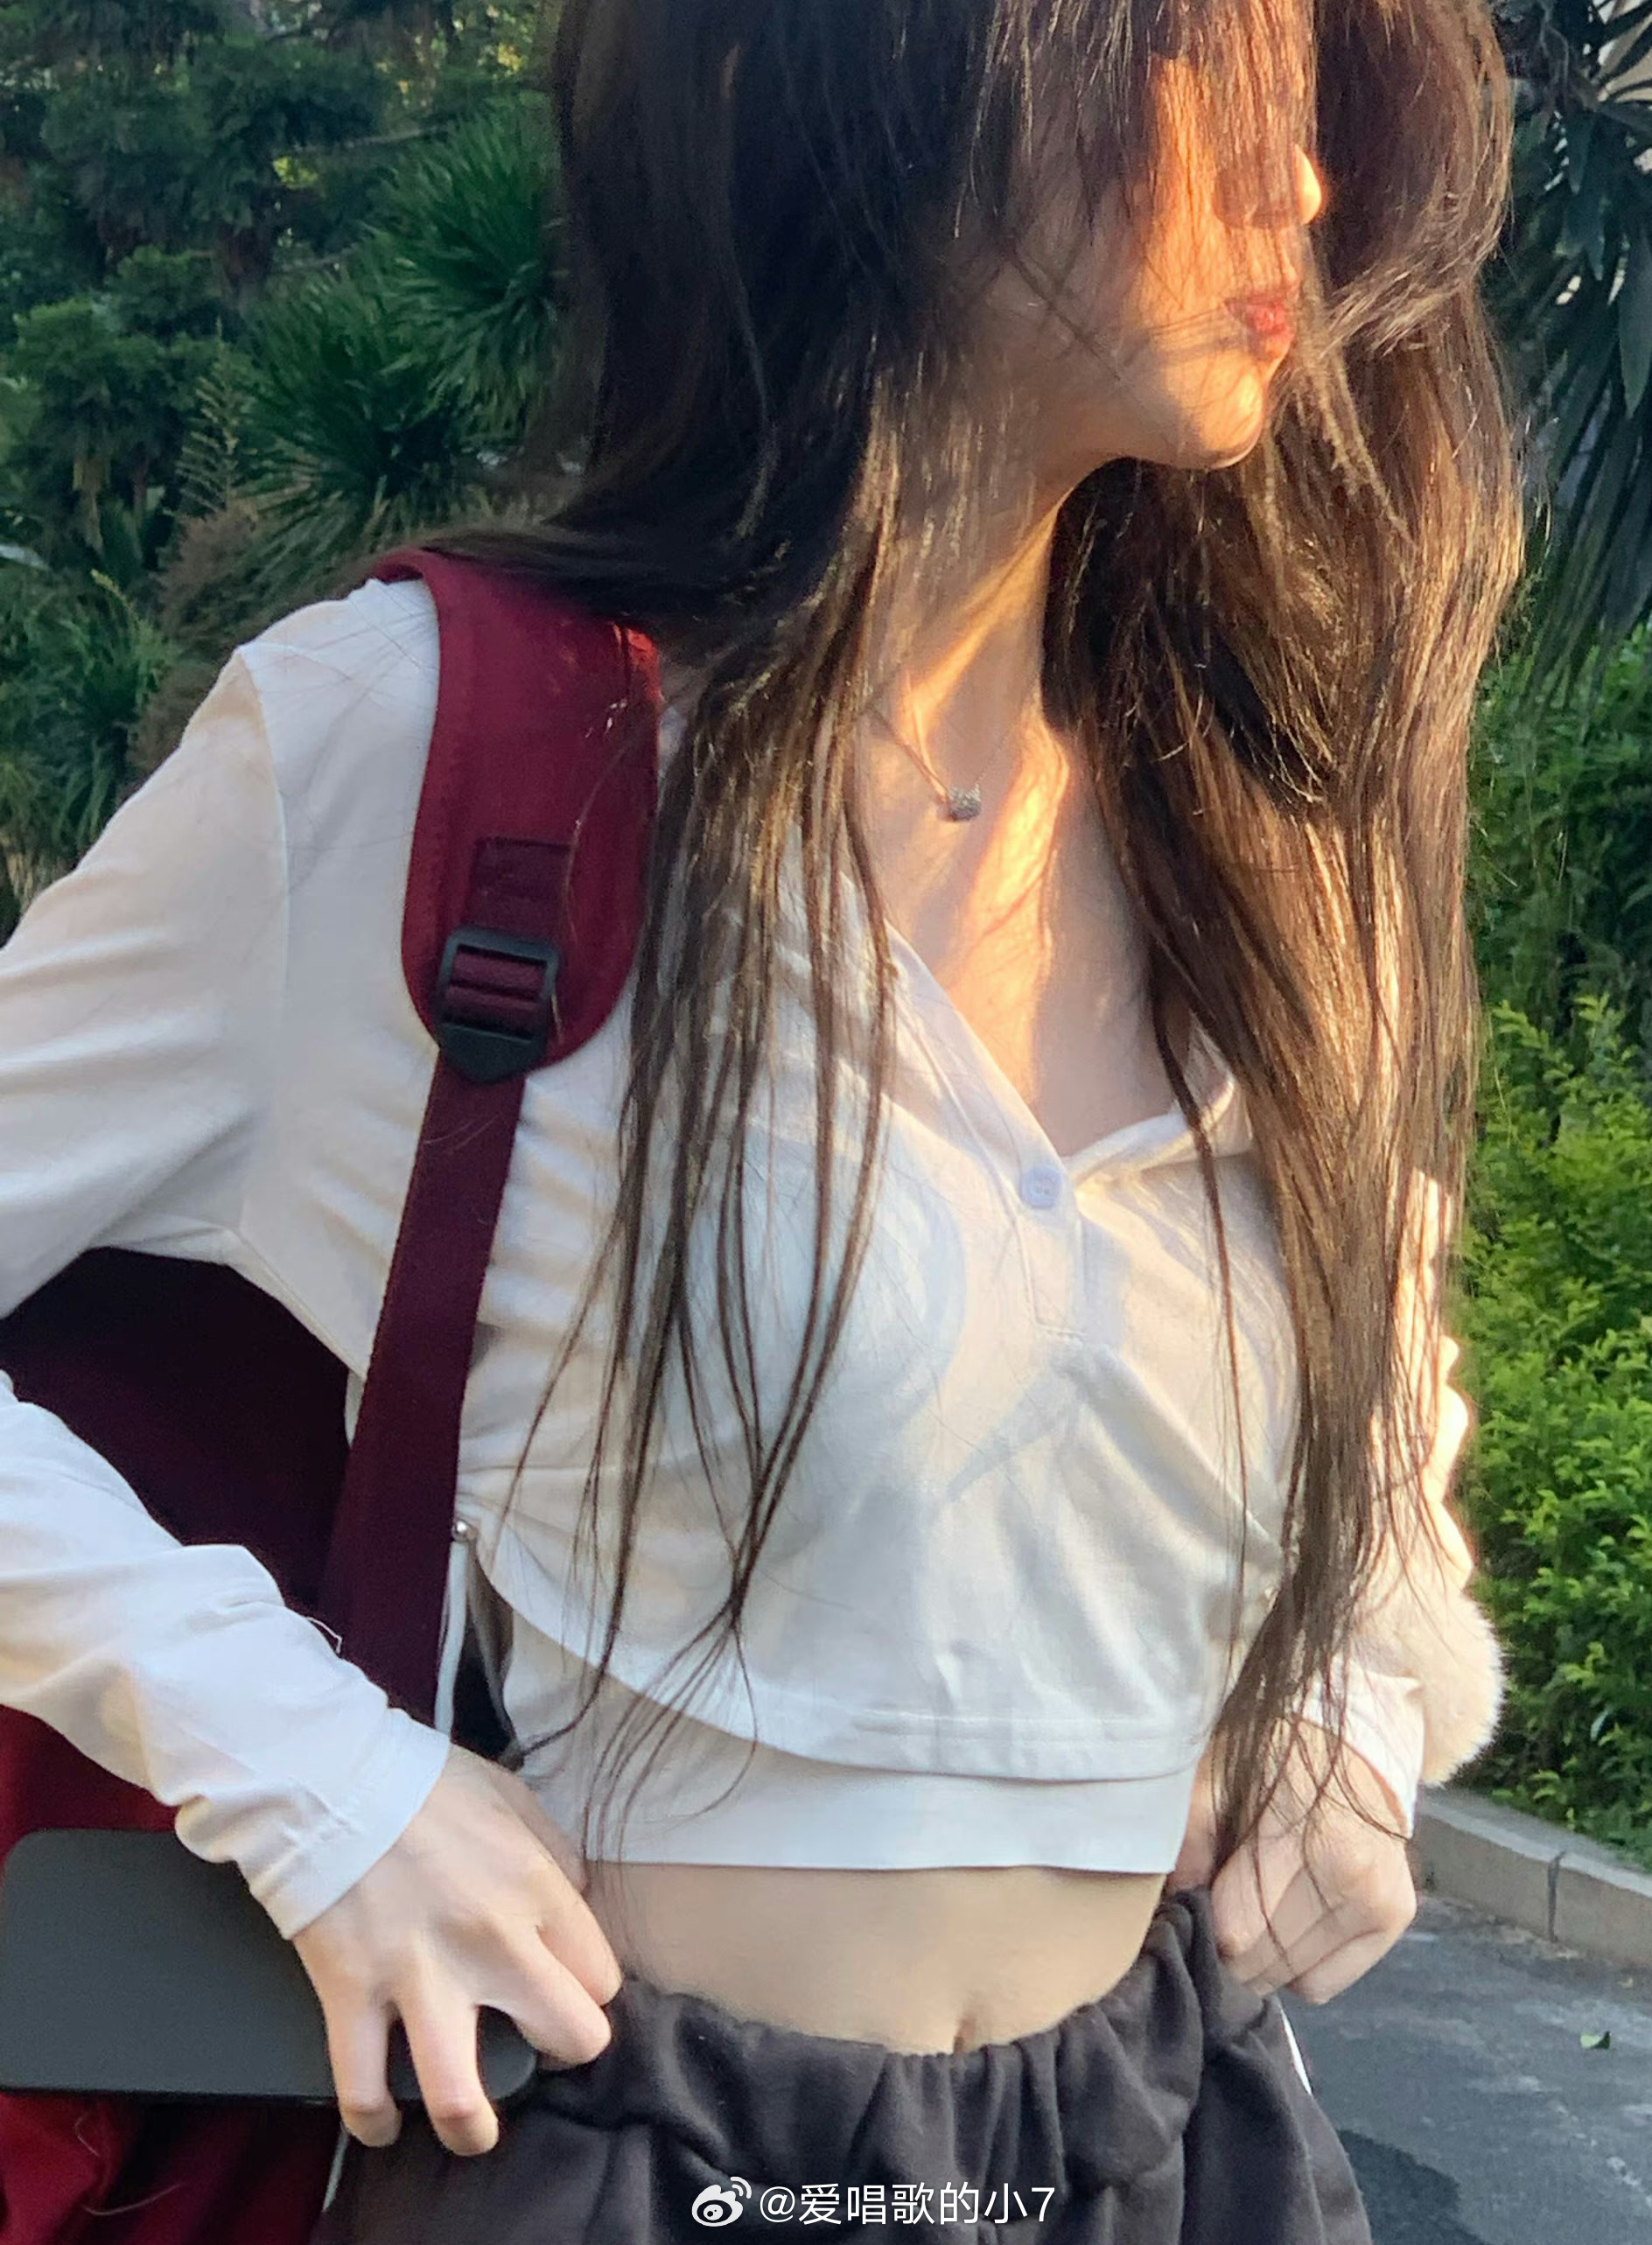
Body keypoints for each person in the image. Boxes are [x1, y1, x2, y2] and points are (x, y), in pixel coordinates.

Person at [0, 0, 1525, 2235]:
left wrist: (1360, 1708)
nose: (1298, 185)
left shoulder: (1266, 837)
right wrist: (304, 1773)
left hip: (1171, 2139)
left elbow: (1387, 1433)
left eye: (1320, 103)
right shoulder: (439, 758)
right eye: (1214, 70)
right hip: (630, 2150)